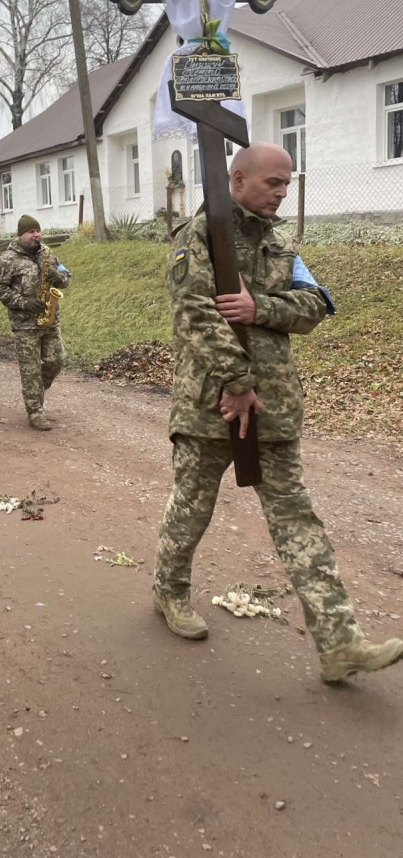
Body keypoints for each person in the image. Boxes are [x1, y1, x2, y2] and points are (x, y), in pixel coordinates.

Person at [153, 141, 403, 684]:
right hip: (209, 409)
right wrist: (237, 381)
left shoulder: (280, 242)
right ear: (237, 180)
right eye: (274, 183)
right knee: (191, 512)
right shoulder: (196, 239)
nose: (282, 193)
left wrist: (259, 306)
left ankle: (340, 643)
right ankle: (169, 591)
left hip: (276, 410)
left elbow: (316, 304)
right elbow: (193, 317)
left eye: (288, 184)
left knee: (297, 520)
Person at [0, 215, 71, 431]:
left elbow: (65, 280)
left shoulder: (48, 254)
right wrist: (24, 303)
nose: (36, 235)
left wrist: (56, 275)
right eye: (31, 231)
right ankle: (35, 411)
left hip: (50, 320)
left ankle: (37, 392)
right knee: (30, 370)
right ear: (21, 234)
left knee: (57, 359)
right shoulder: (7, 259)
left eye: (38, 230)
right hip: (24, 324)